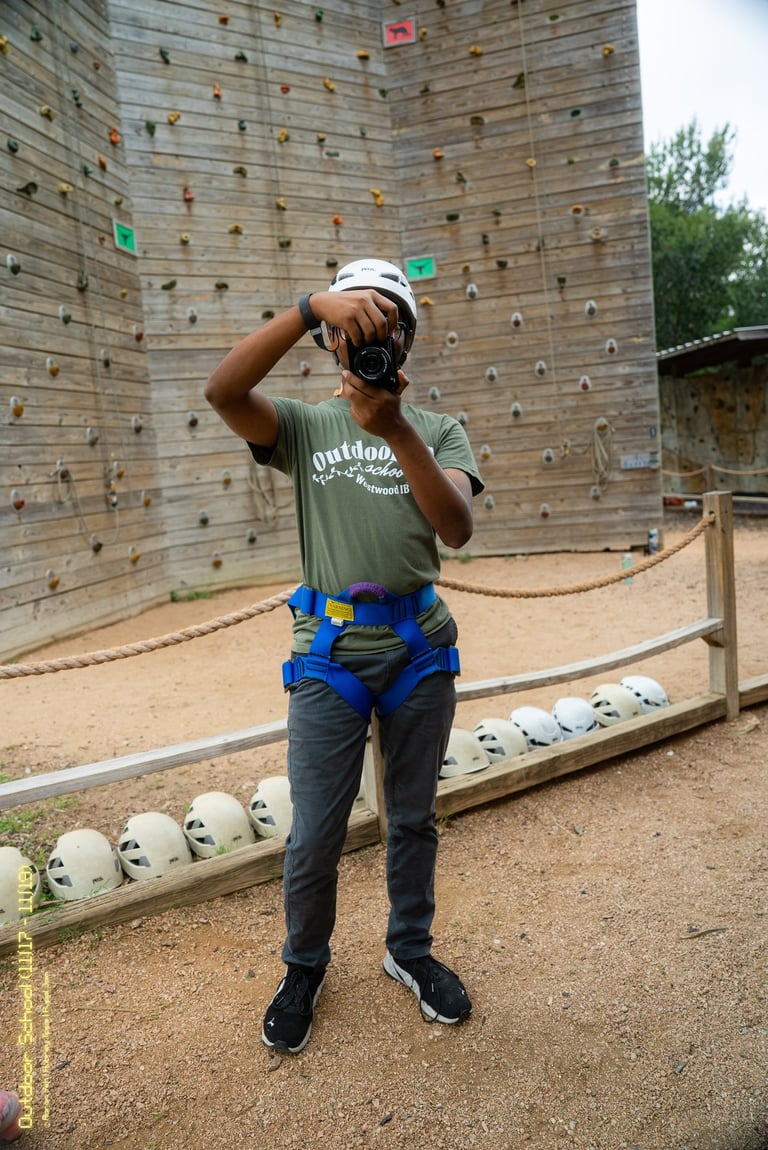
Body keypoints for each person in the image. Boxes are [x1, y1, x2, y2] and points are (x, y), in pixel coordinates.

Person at [204, 258, 484, 1054]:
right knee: (315, 832)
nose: (375, 335)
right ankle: (304, 967)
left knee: (412, 818)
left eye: (391, 322)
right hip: (328, 654)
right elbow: (223, 393)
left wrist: (394, 429)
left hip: (418, 646)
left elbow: (456, 529)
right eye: (359, 322)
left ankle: (410, 951)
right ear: (333, 338)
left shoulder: (437, 429)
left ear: (408, 339)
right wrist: (306, 307)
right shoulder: (301, 426)